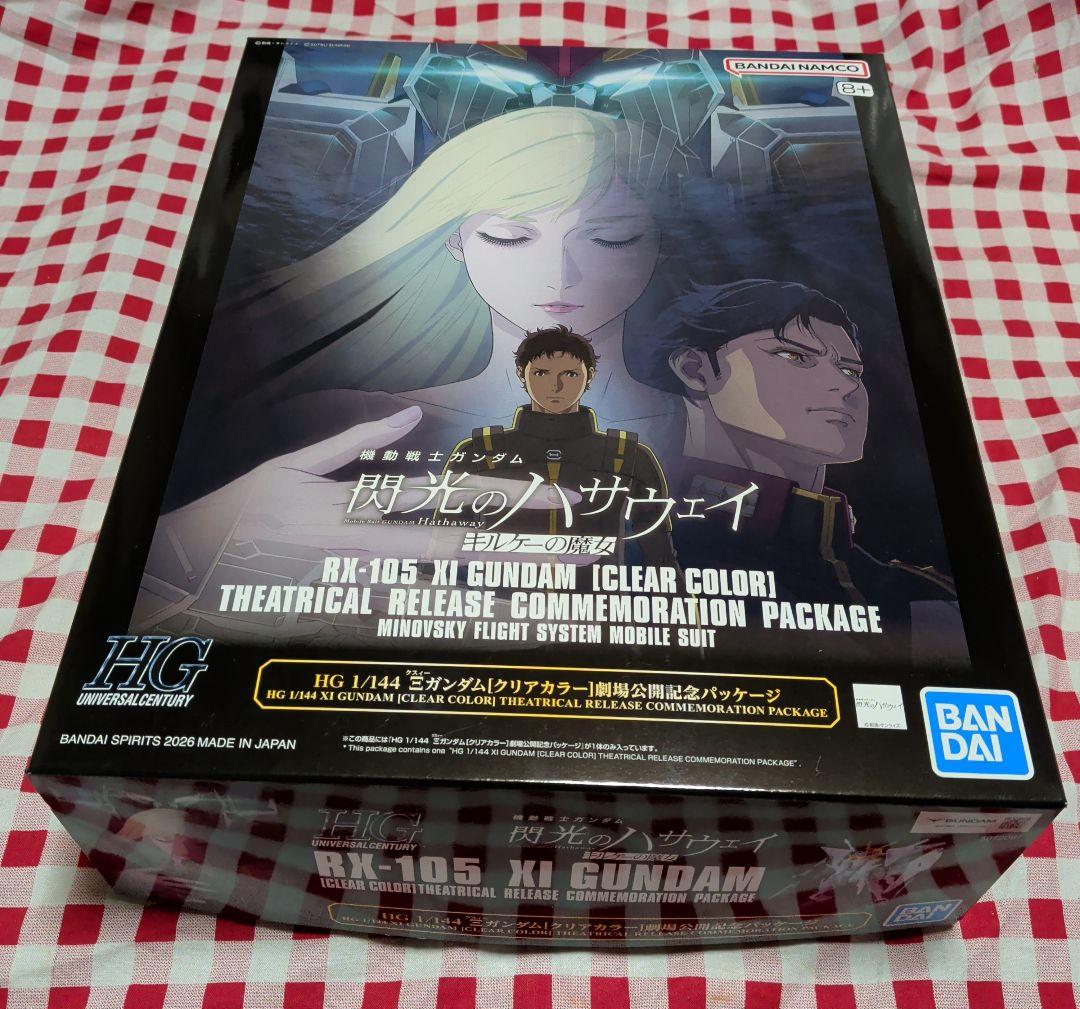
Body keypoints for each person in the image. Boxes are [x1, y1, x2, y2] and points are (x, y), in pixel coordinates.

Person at [138, 108, 685, 641]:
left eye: (611, 239)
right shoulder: (342, 422)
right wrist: (178, 554)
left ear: (664, 244)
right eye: (509, 236)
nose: (558, 276)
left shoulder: (710, 427)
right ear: (456, 242)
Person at [649, 278, 965, 663]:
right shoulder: (634, 552)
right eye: (794, 355)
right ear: (696, 370)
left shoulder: (924, 599)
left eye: (851, 370)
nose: (843, 385)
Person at [448, 325, 677, 568]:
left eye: (570, 374)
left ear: (590, 375)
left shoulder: (628, 455)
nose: (555, 386)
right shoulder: (479, 451)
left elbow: (660, 552)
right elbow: (443, 542)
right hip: (503, 590)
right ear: (521, 373)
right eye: (541, 373)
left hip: (597, 591)